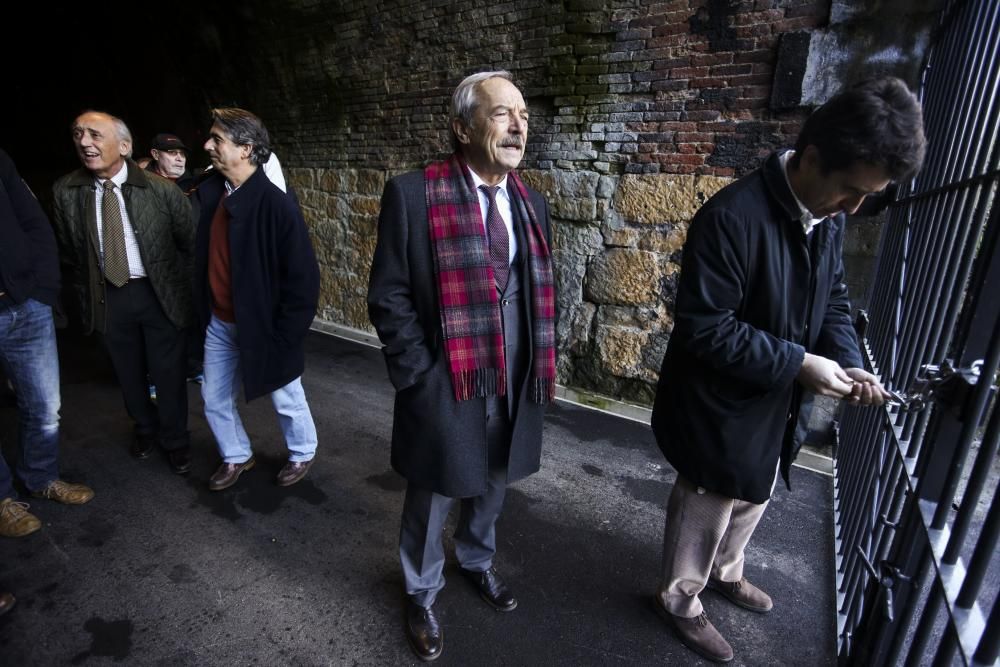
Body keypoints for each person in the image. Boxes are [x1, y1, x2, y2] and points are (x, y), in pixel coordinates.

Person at [649, 77, 926, 663]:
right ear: (813, 157)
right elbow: (704, 327)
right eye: (851, 191)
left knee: (757, 489)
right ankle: (680, 599)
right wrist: (800, 363)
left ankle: (724, 572)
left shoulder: (830, 212)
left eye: (866, 197)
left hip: (773, 398)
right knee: (710, 498)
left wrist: (848, 363)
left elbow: (833, 302)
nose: (854, 207)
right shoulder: (728, 218)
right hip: (717, 404)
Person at [367, 71, 557, 662]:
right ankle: (421, 591)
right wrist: (418, 373)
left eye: (523, 114)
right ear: (461, 127)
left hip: (514, 373)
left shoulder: (532, 202)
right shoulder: (413, 194)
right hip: (446, 375)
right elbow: (389, 295)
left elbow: (536, 287)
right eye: (502, 113)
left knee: (495, 474)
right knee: (433, 489)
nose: (518, 125)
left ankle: (476, 560)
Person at [51, 111, 196, 475]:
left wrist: (183, 294)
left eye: (96, 135)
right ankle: (145, 429)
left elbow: (190, 244)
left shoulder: (161, 190)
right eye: (78, 134)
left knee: (168, 373)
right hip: (108, 295)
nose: (85, 142)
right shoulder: (65, 191)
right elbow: (69, 251)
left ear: (125, 146)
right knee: (128, 373)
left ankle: (176, 439)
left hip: (158, 293)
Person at [193, 108, 320, 491]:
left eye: (217, 139)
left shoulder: (275, 204)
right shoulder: (209, 191)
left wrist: (286, 335)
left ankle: (302, 451)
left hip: (264, 324)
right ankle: (236, 455)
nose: (207, 145)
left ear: (246, 149)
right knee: (213, 396)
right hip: (221, 321)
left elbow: (303, 279)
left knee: (285, 393)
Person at [0, 148, 94, 538]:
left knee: (43, 406)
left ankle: (40, 478)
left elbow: (32, 221)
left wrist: (43, 289)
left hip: (24, 302)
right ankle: (3, 501)